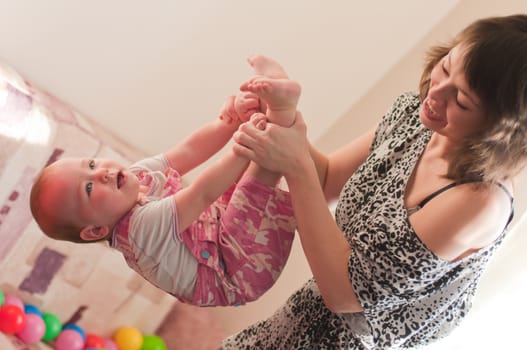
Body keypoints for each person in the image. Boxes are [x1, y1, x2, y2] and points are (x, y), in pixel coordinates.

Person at [225, 14, 527, 349]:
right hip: (294, 321)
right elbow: (326, 179)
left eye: (461, 101)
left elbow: (344, 293)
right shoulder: (416, 117)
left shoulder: (479, 202)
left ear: (501, 132)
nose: (436, 92)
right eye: (445, 67)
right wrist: (283, 115)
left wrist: (294, 163)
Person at [29, 56, 302, 307]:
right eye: (88, 188)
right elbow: (202, 193)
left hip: (220, 230)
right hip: (239, 272)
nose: (100, 172)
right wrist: (245, 143)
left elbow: (187, 152)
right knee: (254, 170)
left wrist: (229, 123)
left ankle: (269, 101)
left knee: (245, 169)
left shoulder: (133, 180)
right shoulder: (140, 231)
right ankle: (279, 109)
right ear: (96, 230)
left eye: (91, 164)